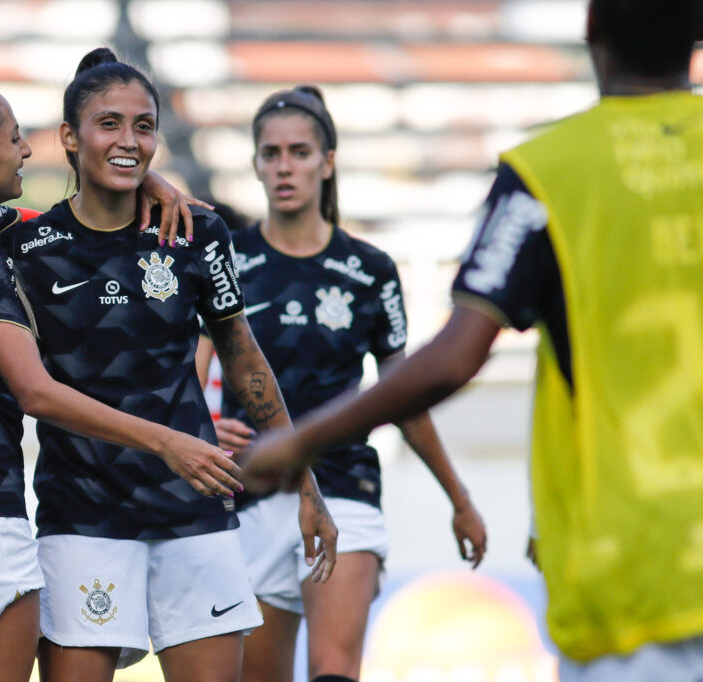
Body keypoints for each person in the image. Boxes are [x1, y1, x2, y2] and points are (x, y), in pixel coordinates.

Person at [241, 1, 703, 680]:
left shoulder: (549, 172)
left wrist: (300, 438)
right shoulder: (235, 257)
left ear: (592, 32)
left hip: (633, 571)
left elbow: (456, 355)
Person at [0, 50, 338, 682]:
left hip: (194, 513)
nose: (129, 140)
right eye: (109, 124)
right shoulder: (19, 245)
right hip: (81, 518)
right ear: (70, 137)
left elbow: (243, 356)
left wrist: (306, 487)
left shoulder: (198, 232)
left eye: (144, 126)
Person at [194, 85, 487, 682]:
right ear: (254, 162)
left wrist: (459, 499)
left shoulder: (371, 272)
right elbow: (192, 371)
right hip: (252, 493)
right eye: (270, 153)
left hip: (345, 486)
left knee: (332, 672)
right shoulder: (227, 259)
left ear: (328, 162)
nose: (284, 166)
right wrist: (201, 430)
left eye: (299, 152)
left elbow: (406, 398)